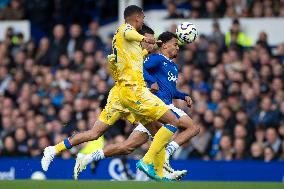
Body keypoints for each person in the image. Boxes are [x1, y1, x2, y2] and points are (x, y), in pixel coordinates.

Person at [74, 30, 199, 180]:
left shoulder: (173, 66)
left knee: (127, 147)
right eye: (175, 44)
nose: (178, 47)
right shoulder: (157, 59)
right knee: (192, 128)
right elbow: (139, 66)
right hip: (160, 106)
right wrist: (150, 80)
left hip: (157, 109)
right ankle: (165, 158)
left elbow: (170, 90)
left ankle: (87, 158)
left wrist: (183, 95)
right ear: (164, 45)